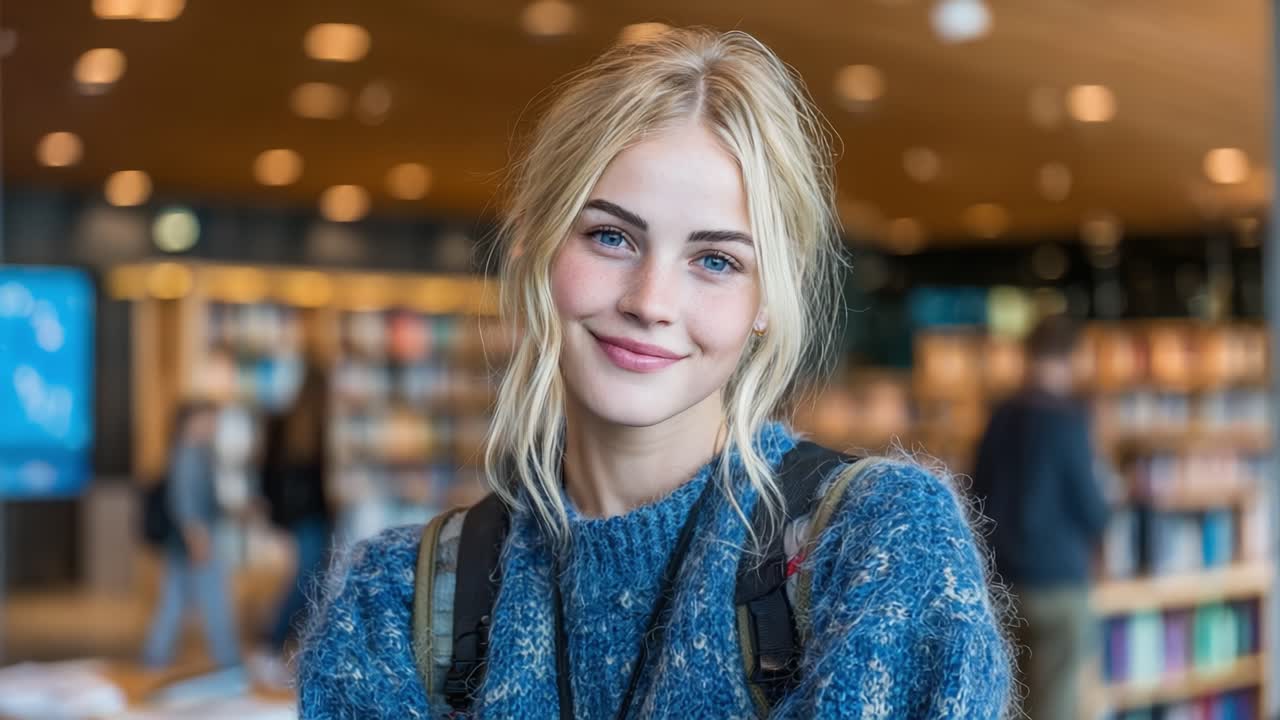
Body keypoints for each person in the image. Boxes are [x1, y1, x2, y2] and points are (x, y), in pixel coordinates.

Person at [299, 28, 1012, 718]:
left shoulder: (877, 545)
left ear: (768, 300)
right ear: (535, 246)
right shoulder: (391, 601)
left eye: (716, 261)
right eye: (611, 236)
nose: (651, 302)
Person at [971, 315, 1111, 720]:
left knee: (1009, 706)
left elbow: (975, 495)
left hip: (1002, 583)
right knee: (1056, 708)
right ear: (1071, 359)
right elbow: (1091, 507)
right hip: (1058, 585)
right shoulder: (1069, 422)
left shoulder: (999, 418)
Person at [141, 400, 241, 670]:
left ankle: (154, 658)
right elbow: (183, 501)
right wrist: (196, 536)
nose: (212, 426)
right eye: (207, 420)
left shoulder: (196, 452)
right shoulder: (188, 454)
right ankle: (228, 661)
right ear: (191, 422)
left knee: (173, 603)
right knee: (214, 601)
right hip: (196, 540)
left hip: (186, 542)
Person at [252, 365, 333, 681]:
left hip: (300, 517)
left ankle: (291, 649)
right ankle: (272, 645)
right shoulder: (306, 427)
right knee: (307, 583)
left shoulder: (285, 423)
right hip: (310, 517)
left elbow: (265, 476)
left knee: (312, 582)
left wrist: (276, 517)